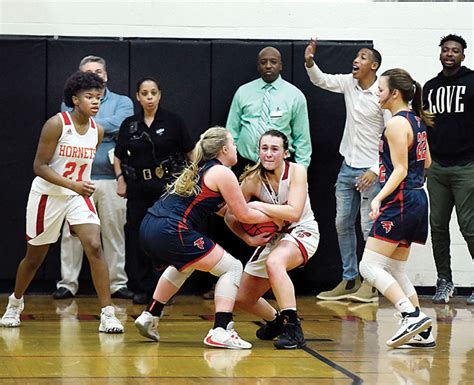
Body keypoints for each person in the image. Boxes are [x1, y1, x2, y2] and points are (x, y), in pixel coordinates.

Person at [0, 71, 123, 333]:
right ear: (75, 99)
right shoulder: (57, 124)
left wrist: (78, 189)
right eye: (89, 97)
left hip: (77, 196)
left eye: (98, 98)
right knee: (34, 257)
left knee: (94, 245)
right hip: (48, 195)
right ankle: (14, 303)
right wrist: (73, 185)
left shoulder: (97, 130)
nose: (95, 102)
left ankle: (107, 313)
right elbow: (39, 166)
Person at [133, 126, 273, 349]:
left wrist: (247, 238)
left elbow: (226, 213)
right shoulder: (222, 173)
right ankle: (221, 329)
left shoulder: (199, 170)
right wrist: (283, 213)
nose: (236, 148)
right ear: (224, 149)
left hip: (149, 226)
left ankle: (150, 315)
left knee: (186, 265)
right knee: (233, 268)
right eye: (234, 144)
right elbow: (244, 214)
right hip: (171, 229)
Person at [305, 38, 386, 303]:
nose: (356, 60)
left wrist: (375, 169)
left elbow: (391, 137)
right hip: (347, 167)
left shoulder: (382, 93)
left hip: (370, 172)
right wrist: (309, 62)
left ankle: (372, 284)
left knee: (367, 226)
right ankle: (350, 279)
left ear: (373, 66)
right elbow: (322, 80)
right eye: (356, 56)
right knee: (341, 223)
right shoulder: (349, 84)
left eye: (363, 57)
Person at [360, 68, 434, 348]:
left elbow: (401, 169)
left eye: (381, 89)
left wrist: (379, 198)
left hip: (401, 200)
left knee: (368, 266)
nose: (377, 93)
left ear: (395, 93)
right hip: (417, 198)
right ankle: (424, 332)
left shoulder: (395, 124)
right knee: (395, 268)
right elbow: (425, 163)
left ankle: (410, 314)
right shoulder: (416, 120)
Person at [226, 130, 320, 349]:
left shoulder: (297, 171)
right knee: (242, 298)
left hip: (302, 230)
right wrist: (247, 237)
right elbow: (231, 215)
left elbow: (294, 212)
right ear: (258, 152)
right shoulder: (252, 179)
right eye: (264, 148)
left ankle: (292, 327)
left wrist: (258, 206)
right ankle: (276, 321)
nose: (268, 154)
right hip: (276, 237)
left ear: (285, 153)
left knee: (275, 262)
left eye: (275, 149)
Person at [53, 55, 134, 301]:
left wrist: (86, 121)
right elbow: (69, 125)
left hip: (111, 178)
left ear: (106, 75)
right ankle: (68, 283)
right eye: (89, 72)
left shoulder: (123, 102)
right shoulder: (69, 102)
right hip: (75, 180)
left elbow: (122, 123)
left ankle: (117, 284)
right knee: (72, 233)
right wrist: (104, 128)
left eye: (98, 71)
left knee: (113, 232)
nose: (95, 76)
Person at [114, 77, 194, 304]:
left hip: (167, 187)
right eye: (144, 93)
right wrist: (121, 180)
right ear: (138, 97)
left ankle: (164, 289)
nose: (149, 97)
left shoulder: (173, 121)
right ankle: (141, 286)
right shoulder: (129, 124)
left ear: (159, 95)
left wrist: (195, 178)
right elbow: (118, 156)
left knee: (165, 235)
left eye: (153, 93)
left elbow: (191, 153)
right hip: (138, 188)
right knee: (137, 234)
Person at [423, 34, 474, 306]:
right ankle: (444, 280)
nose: (450, 54)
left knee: (469, 226)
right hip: (438, 169)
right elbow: (426, 129)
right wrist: (425, 164)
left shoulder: (472, 81)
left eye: (455, 50)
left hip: (467, 166)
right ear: (440, 54)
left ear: (463, 56)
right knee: (438, 226)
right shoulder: (430, 88)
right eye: (446, 50)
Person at [226, 46, 312, 175]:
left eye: (273, 62)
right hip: (245, 164)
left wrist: (301, 172)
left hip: (280, 166)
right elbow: (231, 132)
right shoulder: (243, 92)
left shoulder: (295, 95)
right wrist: (227, 167)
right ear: (258, 66)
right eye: (263, 62)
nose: (268, 66)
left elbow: (302, 138)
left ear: (280, 65)